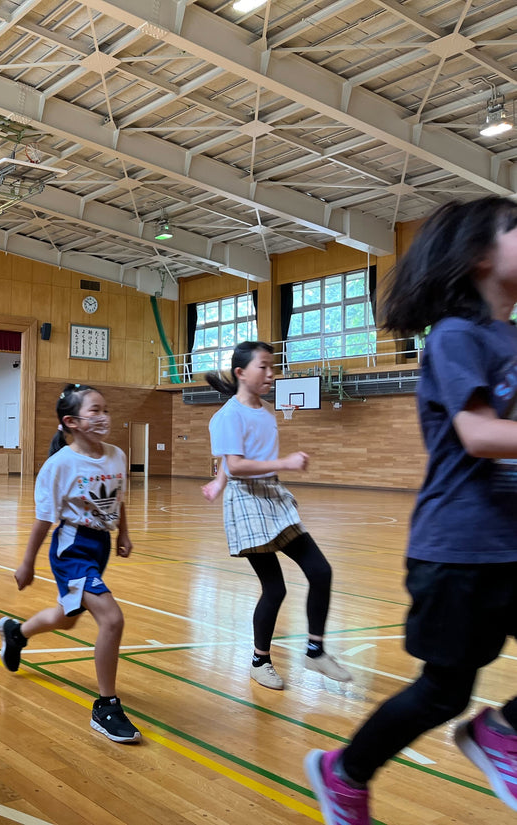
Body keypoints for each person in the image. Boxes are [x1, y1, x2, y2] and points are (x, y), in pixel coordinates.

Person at [306, 196, 517, 824]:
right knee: (442, 693)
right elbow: (479, 434)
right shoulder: (456, 337)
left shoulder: (509, 337)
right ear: (481, 256)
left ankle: (499, 732)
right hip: (458, 549)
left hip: (508, 541)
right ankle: (343, 773)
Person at [201, 341, 350, 691]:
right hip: (248, 503)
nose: (271, 373)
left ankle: (315, 650)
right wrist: (230, 480)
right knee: (275, 588)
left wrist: (216, 482)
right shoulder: (226, 416)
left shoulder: (266, 411)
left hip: (272, 495)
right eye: (263, 367)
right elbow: (235, 464)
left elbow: (230, 461)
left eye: (273, 367)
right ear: (241, 373)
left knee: (320, 571)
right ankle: (260, 661)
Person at [0, 384, 140, 744]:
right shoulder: (59, 465)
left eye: (105, 409)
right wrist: (26, 563)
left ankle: (17, 633)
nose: (103, 416)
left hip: (100, 545)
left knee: (68, 618)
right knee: (112, 618)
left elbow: (117, 496)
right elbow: (44, 520)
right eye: (95, 411)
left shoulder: (117, 454)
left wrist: (123, 532)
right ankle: (106, 706)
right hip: (71, 548)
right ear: (71, 421)